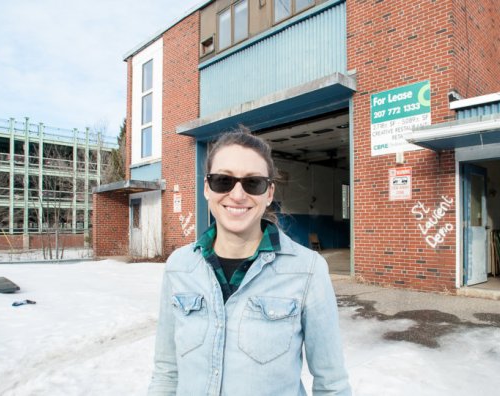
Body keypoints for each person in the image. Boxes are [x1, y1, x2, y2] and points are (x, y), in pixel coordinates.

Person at [148, 129, 351, 395]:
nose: (238, 194)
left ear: (269, 193)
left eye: (253, 183)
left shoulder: (308, 270)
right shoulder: (179, 266)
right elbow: (167, 373)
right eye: (223, 180)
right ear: (207, 188)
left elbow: (331, 384)